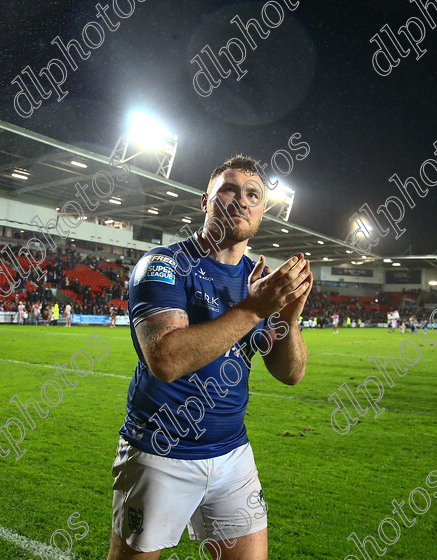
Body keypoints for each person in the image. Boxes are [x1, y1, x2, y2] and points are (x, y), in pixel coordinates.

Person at [107, 156, 312, 560]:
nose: (241, 200)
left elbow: (291, 373)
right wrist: (254, 309)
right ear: (206, 202)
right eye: (229, 190)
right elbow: (165, 359)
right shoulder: (164, 264)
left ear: (262, 212)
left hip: (233, 454)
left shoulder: (261, 282)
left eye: (253, 194)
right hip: (160, 452)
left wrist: (288, 315)